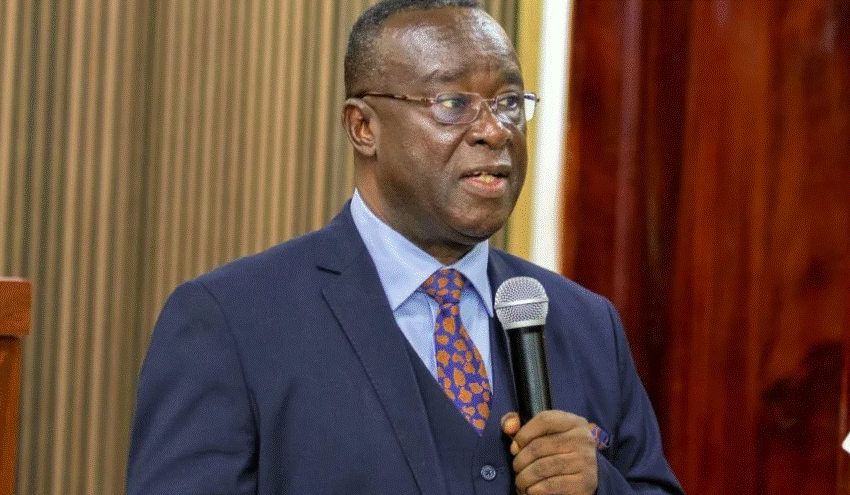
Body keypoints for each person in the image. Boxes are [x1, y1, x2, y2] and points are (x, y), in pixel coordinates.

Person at [126, 1, 684, 494]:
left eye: (510, 102)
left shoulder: (585, 324)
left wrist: (599, 486)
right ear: (363, 127)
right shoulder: (233, 322)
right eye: (452, 103)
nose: (494, 130)